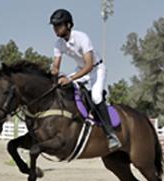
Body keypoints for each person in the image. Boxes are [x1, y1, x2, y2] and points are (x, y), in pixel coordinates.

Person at [49, 8, 121, 151]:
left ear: (68, 25)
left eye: (59, 25)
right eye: (54, 26)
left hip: (96, 69)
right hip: (80, 69)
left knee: (95, 97)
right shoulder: (58, 44)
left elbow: (89, 65)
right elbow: (56, 66)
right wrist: (53, 74)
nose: (55, 29)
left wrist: (70, 78)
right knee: (63, 88)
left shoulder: (81, 37)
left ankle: (111, 134)